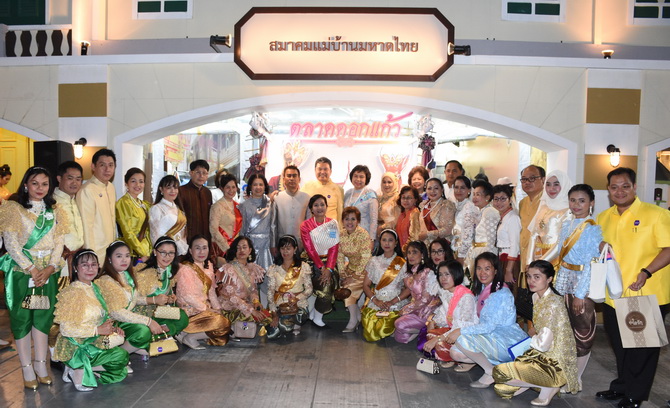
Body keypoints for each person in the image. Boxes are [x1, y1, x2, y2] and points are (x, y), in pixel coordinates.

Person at [595, 167, 670, 408]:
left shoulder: (656, 214)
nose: (620, 191)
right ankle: (622, 386)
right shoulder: (603, 217)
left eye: (625, 186)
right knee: (620, 346)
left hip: (643, 293)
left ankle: (635, 395)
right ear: (608, 190)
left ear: (634, 187)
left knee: (642, 349)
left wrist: (646, 272)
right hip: (613, 294)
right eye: (614, 187)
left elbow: (668, 248)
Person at [0, 166, 66, 389]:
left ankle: (40, 365)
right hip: (22, 272)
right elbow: (11, 243)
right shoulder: (13, 208)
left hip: (47, 272)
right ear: (26, 185)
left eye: (44, 184)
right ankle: (26, 368)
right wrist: (32, 269)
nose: (40, 188)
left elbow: (59, 242)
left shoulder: (55, 210)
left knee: (43, 318)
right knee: (22, 320)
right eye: (35, 183)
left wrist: (50, 268)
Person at [493, 260, 579, 406]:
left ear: (549, 279)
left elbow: (543, 344)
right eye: (529, 276)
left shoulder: (553, 304)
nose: (531, 281)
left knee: (498, 372)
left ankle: (552, 384)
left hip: (554, 364)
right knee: (501, 389)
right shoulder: (536, 296)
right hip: (540, 355)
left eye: (537, 277)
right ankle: (543, 384)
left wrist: (533, 334)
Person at [446, 252, 527, 388]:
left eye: (487, 268)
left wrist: (460, 331)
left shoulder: (500, 293)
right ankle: (494, 365)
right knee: (456, 353)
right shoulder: (484, 288)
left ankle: (490, 372)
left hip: (506, 339)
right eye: (479, 268)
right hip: (491, 334)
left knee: (461, 339)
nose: (482, 273)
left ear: (495, 271)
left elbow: (489, 326)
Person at [53, 249, 129, 392]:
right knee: (118, 363)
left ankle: (83, 368)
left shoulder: (96, 288)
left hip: (94, 342)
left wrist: (112, 328)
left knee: (122, 357)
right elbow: (65, 329)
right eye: (85, 265)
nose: (90, 269)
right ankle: (77, 367)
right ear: (76, 268)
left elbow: (100, 317)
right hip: (75, 345)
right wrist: (96, 330)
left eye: (93, 265)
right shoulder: (73, 292)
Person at [554, 184, 602, 388]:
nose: (576, 205)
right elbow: (560, 256)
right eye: (573, 200)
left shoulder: (592, 229)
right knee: (565, 330)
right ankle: (565, 372)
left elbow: (592, 263)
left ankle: (576, 378)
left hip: (582, 284)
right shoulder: (567, 225)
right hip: (564, 281)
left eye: (582, 201)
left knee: (582, 331)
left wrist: (580, 294)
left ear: (591, 203)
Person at [95, 241, 163, 359]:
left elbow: (133, 299)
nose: (124, 260)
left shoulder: (126, 275)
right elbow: (116, 312)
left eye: (127, 256)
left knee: (163, 320)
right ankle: (118, 357)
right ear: (109, 259)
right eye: (119, 256)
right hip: (112, 323)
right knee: (143, 331)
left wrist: (152, 300)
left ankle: (132, 348)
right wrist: (148, 321)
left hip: (123, 319)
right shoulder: (106, 280)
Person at [176, 235, 231, 348]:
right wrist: (207, 309)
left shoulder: (208, 266)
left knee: (223, 334)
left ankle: (189, 334)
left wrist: (217, 308)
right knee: (223, 323)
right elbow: (188, 296)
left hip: (204, 309)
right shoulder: (185, 269)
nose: (201, 252)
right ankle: (190, 337)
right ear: (190, 250)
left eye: (204, 248)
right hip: (190, 312)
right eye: (197, 248)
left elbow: (211, 292)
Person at [422, 261, 477, 368]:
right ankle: (452, 358)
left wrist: (438, 339)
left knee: (438, 342)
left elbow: (463, 326)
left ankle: (469, 361)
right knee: (431, 333)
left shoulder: (466, 297)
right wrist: (432, 322)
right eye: (440, 275)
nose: (443, 278)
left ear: (456, 274)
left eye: (447, 274)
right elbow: (445, 316)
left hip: (467, 334)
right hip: (454, 330)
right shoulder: (448, 293)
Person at [134, 236, 190, 340]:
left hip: (158, 311)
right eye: (163, 252)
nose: (167, 257)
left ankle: (158, 336)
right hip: (142, 314)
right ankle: (152, 338)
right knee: (171, 326)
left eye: (171, 253)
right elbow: (132, 300)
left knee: (182, 318)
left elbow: (166, 292)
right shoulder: (144, 272)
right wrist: (154, 300)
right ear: (155, 252)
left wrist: (171, 298)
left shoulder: (168, 270)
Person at [216, 236, 272, 337]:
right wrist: (251, 310)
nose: (241, 250)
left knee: (267, 316)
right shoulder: (229, 269)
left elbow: (253, 291)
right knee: (251, 317)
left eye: (244, 247)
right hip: (231, 307)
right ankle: (234, 329)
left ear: (249, 250)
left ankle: (240, 330)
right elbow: (232, 297)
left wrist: (256, 302)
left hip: (246, 304)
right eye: (238, 248)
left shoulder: (252, 268)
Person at [360, 229, 409, 342]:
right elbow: (366, 285)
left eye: (390, 240)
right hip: (378, 300)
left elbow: (408, 289)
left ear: (396, 243)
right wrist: (375, 300)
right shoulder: (373, 261)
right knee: (370, 328)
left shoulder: (401, 262)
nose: (387, 243)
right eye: (384, 240)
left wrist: (392, 301)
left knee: (384, 325)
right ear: (380, 242)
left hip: (395, 301)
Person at [300, 194, 339, 327]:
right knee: (325, 285)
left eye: (322, 204)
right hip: (312, 262)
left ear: (326, 207)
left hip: (330, 262)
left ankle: (315, 314)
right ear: (311, 209)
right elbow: (309, 249)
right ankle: (317, 316)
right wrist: (322, 267)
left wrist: (329, 268)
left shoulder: (332, 224)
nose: (319, 207)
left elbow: (334, 246)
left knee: (329, 282)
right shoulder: (305, 225)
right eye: (316, 205)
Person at [266, 235, 313, 337]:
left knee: (283, 328)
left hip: (298, 305)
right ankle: (284, 322)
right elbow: (270, 292)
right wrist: (274, 314)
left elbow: (309, 289)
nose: (285, 251)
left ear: (295, 249)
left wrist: (297, 298)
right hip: (279, 304)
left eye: (288, 248)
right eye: (282, 248)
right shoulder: (273, 268)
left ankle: (294, 323)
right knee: (272, 334)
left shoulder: (304, 267)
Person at [394, 241, 439, 344]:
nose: (411, 256)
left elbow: (426, 299)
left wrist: (406, 309)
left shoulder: (428, 272)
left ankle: (424, 329)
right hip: (416, 308)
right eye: (409, 253)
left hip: (426, 311)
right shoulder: (412, 272)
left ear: (422, 254)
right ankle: (421, 332)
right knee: (399, 337)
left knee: (399, 324)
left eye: (414, 252)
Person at [527, 170, 573, 269]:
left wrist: (541, 264)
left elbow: (562, 242)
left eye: (556, 184)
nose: (551, 188)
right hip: (537, 258)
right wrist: (529, 261)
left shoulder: (569, 211)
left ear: (564, 185)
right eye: (548, 184)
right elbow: (534, 234)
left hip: (556, 260)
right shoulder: (543, 206)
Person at [76, 148, 117, 261]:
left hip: (111, 251)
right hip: (96, 252)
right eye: (102, 165)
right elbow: (86, 227)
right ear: (93, 167)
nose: (107, 169)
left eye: (111, 165)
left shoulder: (111, 187)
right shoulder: (87, 190)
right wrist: (90, 257)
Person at [337, 207, 372, 333]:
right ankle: (357, 318)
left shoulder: (363, 234)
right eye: (347, 219)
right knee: (343, 286)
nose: (350, 222)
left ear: (358, 221)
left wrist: (354, 276)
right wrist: (342, 273)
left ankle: (353, 321)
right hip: (350, 268)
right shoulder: (341, 234)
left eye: (353, 219)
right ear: (342, 221)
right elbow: (340, 255)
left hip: (365, 270)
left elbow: (366, 257)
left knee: (348, 290)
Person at [54, 161, 85, 275]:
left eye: (78, 179)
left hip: (79, 260)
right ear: (59, 178)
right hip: (60, 261)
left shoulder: (78, 201)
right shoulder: (52, 203)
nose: (74, 183)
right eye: (70, 178)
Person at [116, 168, 152, 262]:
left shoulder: (144, 204)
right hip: (132, 252)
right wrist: (142, 252)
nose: (138, 185)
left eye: (141, 181)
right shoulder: (123, 203)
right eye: (133, 181)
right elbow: (128, 233)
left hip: (147, 250)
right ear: (126, 183)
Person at [272, 165, 310, 252]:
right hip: (282, 244)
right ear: (283, 179)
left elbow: (309, 224)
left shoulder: (306, 198)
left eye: (294, 176)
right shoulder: (277, 198)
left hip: (301, 244)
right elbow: (273, 225)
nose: (292, 178)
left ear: (299, 179)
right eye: (289, 176)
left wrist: (308, 245)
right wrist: (273, 245)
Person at [465, 180, 500, 273]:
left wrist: (489, 260)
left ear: (487, 197)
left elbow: (491, 240)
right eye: (474, 194)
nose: (474, 197)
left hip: (485, 253)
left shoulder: (490, 212)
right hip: (477, 251)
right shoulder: (480, 211)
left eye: (478, 194)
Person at [149, 175, 188, 256]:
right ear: (161, 189)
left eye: (175, 187)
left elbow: (182, 234)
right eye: (169, 187)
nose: (173, 191)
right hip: (164, 252)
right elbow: (154, 235)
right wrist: (161, 252)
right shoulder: (157, 208)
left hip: (178, 250)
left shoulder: (178, 208)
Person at [492, 184, 522, 290]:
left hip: (510, 261)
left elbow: (515, 245)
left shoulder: (513, 218)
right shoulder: (503, 217)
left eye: (503, 199)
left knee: (510, 291)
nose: (499, 202)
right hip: (502, 258)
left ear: (510, 199)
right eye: (496, 199)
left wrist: (509, 270)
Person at [209, 173, 242, 266]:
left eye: (233, 187)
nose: (231, 190)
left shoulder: (238, 206)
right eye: (228, 187)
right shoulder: (217, 206)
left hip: (235, 248)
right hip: (221, 249)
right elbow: (213, 229)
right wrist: (227, 248)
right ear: (222, 188)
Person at [518, 165, 545, 271]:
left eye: (532, 178)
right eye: (524, 179)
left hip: (540, 256)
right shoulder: (522, 203)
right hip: (523, 255)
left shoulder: (548, 202)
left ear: (543, 179)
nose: (527, 182)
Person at [179, 159, 213, 242]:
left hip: (205, 238)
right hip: (188, 239)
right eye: (198, 172)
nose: (201, 176)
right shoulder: (181, 191)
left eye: (204, 173)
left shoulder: (207, 192)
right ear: (191, 173)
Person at [301, 157, 344, 221]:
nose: (322, 172)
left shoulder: (338, 189)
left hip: (332, 226)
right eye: (320, 169)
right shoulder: (307, 187)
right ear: (315, 170)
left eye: (325, 169)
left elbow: (340, 213)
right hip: (312, 226)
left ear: (330, 171)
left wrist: (339, 227)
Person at [419, 177, 456, 247]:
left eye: (436, 188)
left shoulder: (446, 205)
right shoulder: (424, 205)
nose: (432, 191)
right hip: (425, 246)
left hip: (441, 246)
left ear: (442, 190)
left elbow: (448, 230)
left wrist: (427, 234)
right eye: (429, 188)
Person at [344, 165, 378, 241]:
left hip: (364, 236)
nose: (358, 179)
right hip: (348, 235)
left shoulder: (370, 194)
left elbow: (373, 220)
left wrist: (372, 239)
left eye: (361, 177)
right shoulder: (348, 193)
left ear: (366, 179)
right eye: (355, 176)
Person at [451, 176, 479, 266]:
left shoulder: (469, 206)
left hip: (466, 254)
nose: (459, 191)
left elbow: (468, 233)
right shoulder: (457, 205)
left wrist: (461, 256)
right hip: (457, 249)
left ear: (469, 190)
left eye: (462, 188)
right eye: (456, 187)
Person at [395, 185, 421, 251]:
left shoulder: (415, 213)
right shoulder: (402, 215)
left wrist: (405, 250)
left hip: (412, 251)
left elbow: (415, 236)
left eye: (409, 198)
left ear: (415, 200)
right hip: (404, 251)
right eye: (403, 197)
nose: (405, 200)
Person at [376, 172, 401, 237]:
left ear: (394, 183)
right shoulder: (379, 198)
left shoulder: (397, 198)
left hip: (392, 233)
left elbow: (398, 219)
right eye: (384, 182)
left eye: (389, 182)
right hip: (379, 234)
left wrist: (383, 227)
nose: (386, 185)